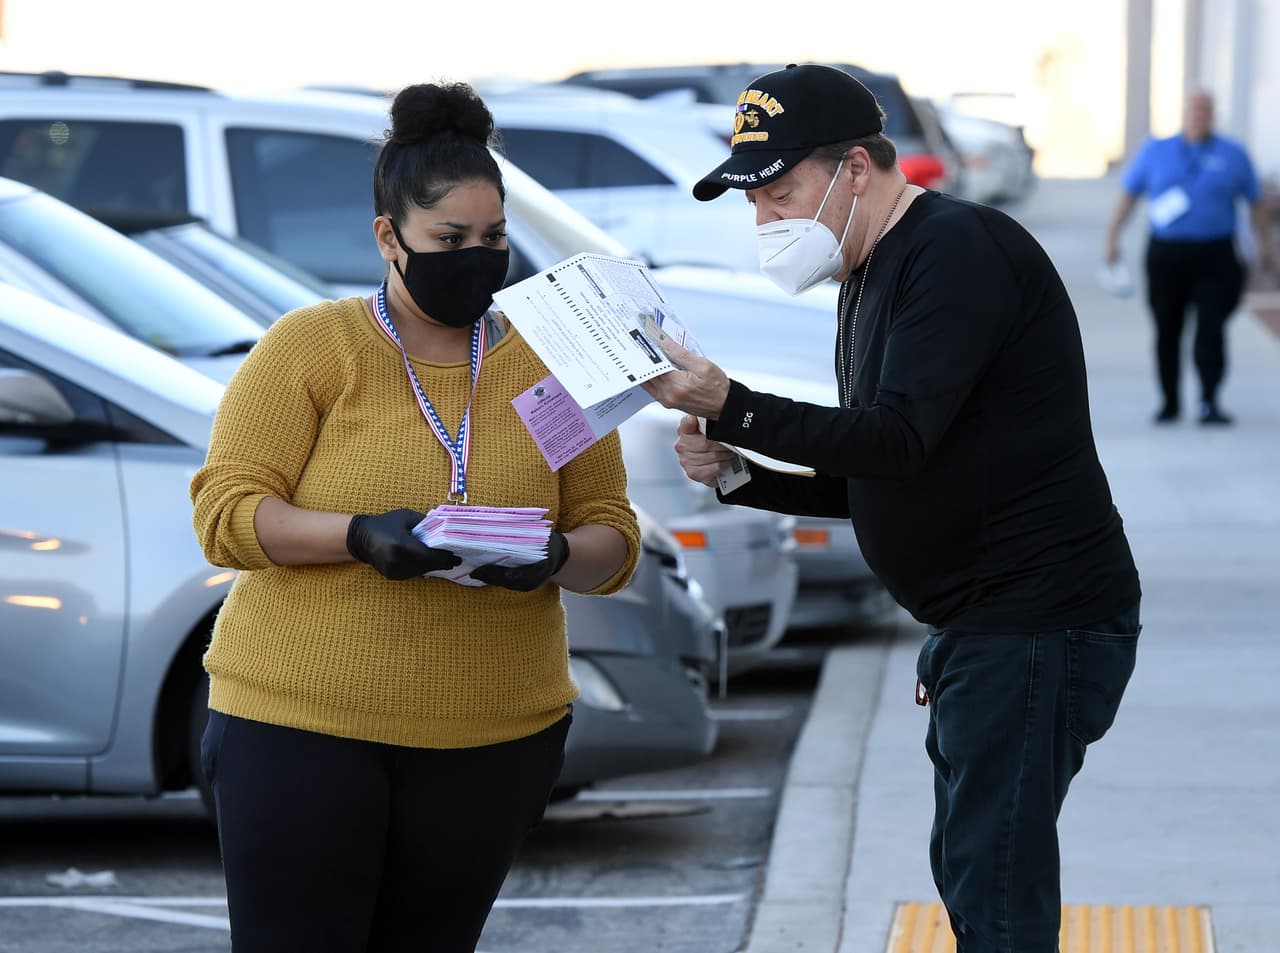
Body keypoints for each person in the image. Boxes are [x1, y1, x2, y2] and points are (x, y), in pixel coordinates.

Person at [643, 63, 1142, 953]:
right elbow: (883, 470)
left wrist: (735, 404)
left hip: (1034, 619)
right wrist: (740, 473)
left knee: (994, 888)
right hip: (982, 624)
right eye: (755, 204)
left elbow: (896, 438)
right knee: (970, 865)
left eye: (782, 193)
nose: (768, 221)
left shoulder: (956, 253)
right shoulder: (870, 273)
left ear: (857, 171)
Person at [190, 81, 640, 953]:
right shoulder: (312, 345)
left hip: (495, 737)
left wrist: (551, 556)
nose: (478, 256)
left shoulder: (553, 360)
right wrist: (357, 535)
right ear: (389, 238)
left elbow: (612, 536)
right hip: (300, 728)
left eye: (495, 237)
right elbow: (226, 513)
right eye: (450, 239)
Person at [1104, 89, 1274, 425]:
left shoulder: (1233, 154)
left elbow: (1256, 203)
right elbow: (1129, 196)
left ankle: (1209, 401)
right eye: (1193, 109)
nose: (1199, 114)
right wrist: (1112, 237)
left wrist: (1264, 244)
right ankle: (1169, 401)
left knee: (1211, 328)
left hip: (1216, 254)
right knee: (1168, 328)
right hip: (1167, 254)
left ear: (1213, 114)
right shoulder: (1156, 150)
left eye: (1205, 109)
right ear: (1184, 113)